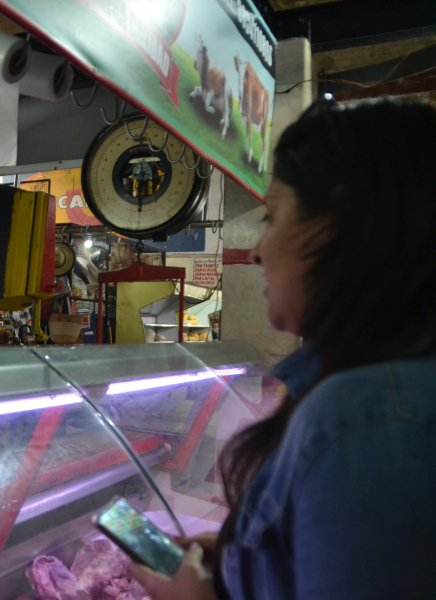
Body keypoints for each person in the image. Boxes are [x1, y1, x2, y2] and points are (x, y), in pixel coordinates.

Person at [131, 97, 436, 599]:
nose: (255, 250)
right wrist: (246, 563)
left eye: (272, 216)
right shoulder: (378, 391)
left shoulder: (373, 418)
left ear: (338, 223)